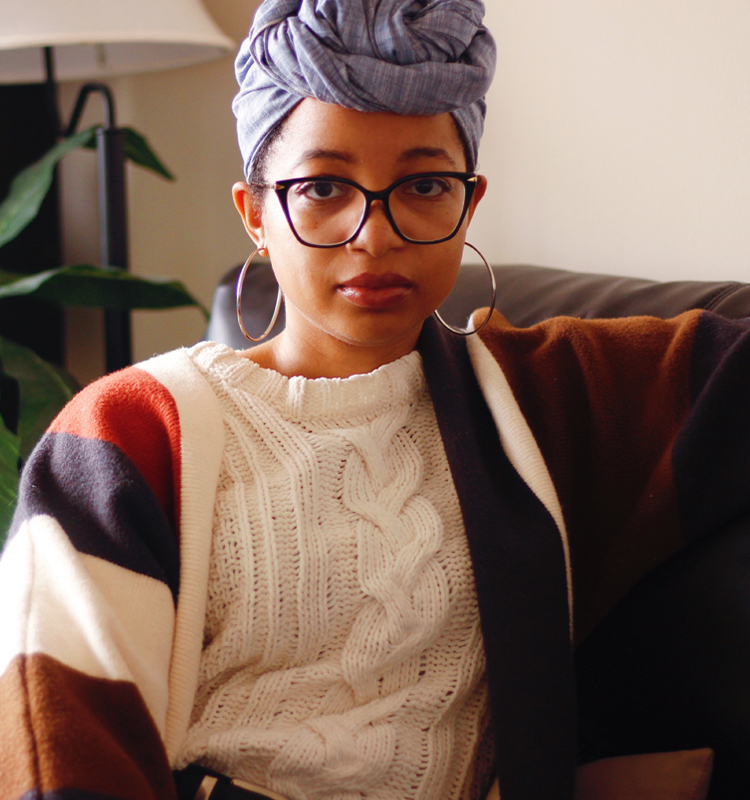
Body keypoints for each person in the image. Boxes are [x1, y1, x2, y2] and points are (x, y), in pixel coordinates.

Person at [1, 1, 750, 799]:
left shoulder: (544, 398)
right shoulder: (133, 433)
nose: (373, 233)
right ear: (256, 214)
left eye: (424, 184)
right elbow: (58, 742)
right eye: (324, 186)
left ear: (468, 203)